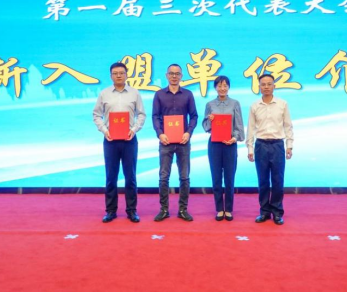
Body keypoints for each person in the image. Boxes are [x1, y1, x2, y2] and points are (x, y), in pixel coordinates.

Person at [93, 62, 146, 223]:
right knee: (111, 177)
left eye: (121, 73)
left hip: (129, 140)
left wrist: (134, 129)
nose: (118, 76)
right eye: (115, 73)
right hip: (110, 140)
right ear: (111, 76)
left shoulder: (134, 93)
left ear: (126, 75)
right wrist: (105, 130)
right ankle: (110, 211)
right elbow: (96, 115)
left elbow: (141, 114)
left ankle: (132, 210)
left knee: (130, 177)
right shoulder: (104, 94)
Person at [152, 64, 198, 222]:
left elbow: (194, 116)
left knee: (184, 177)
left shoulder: (188, 94)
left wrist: (188, 132)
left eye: (177, 74)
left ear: (181, 76)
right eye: (171, 73)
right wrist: (160, 134)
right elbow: (155, 116)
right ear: (166, 75)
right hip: (165, 141)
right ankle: (164, 209)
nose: (174, 76)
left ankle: (183, 210)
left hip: (183, 141)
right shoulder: (159, 94)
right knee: (164, 177)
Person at [246, 74, 294, 225]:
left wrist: (289, 145)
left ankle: (277, 212)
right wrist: (250, 148)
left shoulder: (282, 104)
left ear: (274, 86)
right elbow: (251, 128)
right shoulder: (254, 106)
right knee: (263, 181)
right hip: (260, 145)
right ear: (259, 86)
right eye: (263, 84)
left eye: (269, 84)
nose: (266, 87)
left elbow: (288, 126)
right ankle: (264, 211)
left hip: (278, 145)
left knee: (278, 180)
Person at [202, 75, 245, 221]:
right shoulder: (209, 104)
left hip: (230, 145)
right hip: (214, 144)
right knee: (216, 177)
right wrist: (209, 119)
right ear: (215, 87)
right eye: (219, 86)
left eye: (225, 85)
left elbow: (239, 125)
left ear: (229, 87)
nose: (222, 88)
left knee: (229, 178)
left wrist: (235, 138)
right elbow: (206, 127)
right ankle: (220, 209)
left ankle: (229, 209)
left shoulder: (235, 104)